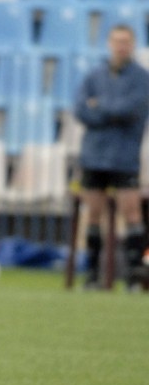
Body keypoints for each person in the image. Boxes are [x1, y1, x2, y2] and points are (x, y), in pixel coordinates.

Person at [75, 24, 149, 290]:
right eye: (117, 41)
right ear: (109, 43)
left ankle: (134, 276)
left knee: (131, 213)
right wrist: (108, 112)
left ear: (133, 44)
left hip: (124, 157)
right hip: (94, 155)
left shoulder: (141, 78)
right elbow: (81, 110)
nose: (121, 46)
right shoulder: (94, 76)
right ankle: (92, 275)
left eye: (126, 41)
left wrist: (100, 107)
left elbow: (131, 109)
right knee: (93, 214)